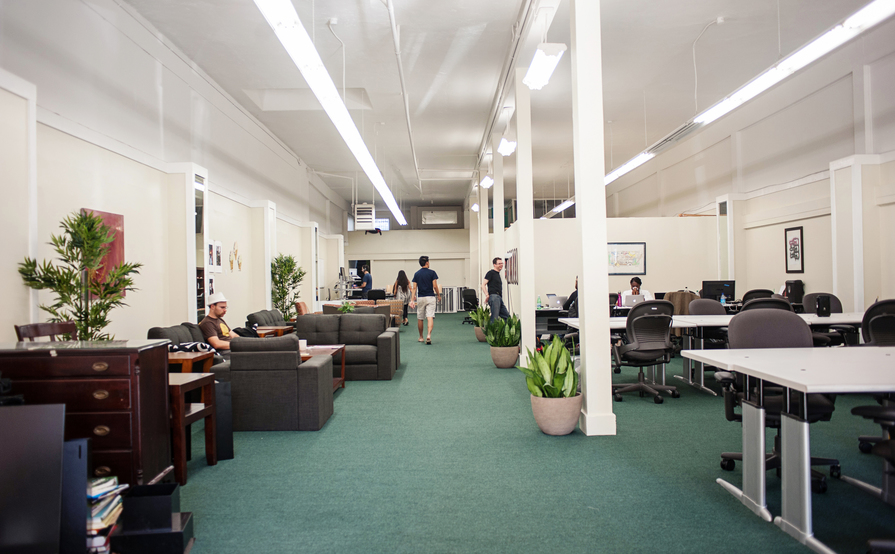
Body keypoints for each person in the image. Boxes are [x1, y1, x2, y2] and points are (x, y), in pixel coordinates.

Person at [410, 256, 440, 345]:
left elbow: (414, 288)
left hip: (421, 298)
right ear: (427, 263)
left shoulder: (417, 274)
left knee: (420, 318)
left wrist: (412, 300)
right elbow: (435, 286)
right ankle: (429, 335)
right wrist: (438, 295)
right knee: (430, 316)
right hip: (430, 297)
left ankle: (421, 337)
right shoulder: (432, 273)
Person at [482, 257, 509, 323]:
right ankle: (491, 333)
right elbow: (483, 285)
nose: (501, 265)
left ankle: (503, 332)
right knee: (494, 318)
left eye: (502, 263)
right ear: (494, 265)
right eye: (499, 263)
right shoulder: (491, 273)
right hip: (494, 297)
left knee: (506, 316)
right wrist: (487, 295)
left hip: (499, 297)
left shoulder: (498, 274)